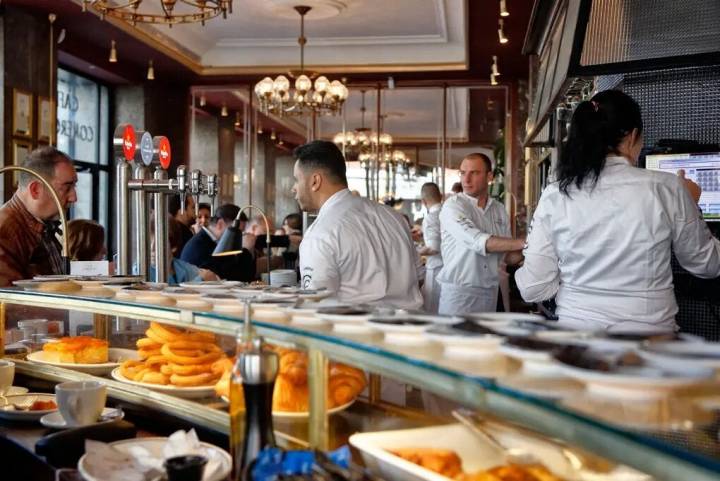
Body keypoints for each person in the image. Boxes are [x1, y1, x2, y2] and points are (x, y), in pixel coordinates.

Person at [516, 90, 720, 332]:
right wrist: (690, 201)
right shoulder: (668, 187)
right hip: (649, 339)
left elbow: (533, 287)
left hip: (576, 337)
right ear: (633, 136)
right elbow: (706, 264)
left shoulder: (555, 194)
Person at [292, 140, 423, 309]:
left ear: (315, 181)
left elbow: (315, 304)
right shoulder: (394, 216)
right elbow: (419, 276)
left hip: (357, 331)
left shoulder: (321, 232)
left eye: (296, 179)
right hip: (411, 328)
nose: (293, 188)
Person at [436, 153, 524, 315]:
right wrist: (525, 243)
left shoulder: (498, 209)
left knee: (485, 340)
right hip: (459, 294)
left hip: (490, 293)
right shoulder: (453, 206)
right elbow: (479, 242)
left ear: (489, 176)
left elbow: (507, 257)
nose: (466, 179)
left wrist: (537, 247)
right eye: (463, 173)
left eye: (474, 173)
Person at [0, 146, 77, 286]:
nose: (73, 197)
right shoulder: (5, 232)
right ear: (35, 190)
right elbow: (11, 301)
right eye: (66, 188)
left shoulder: (43, 225)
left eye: (74, 187)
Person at [180, 204, 256, 282]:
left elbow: (245, 275)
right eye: (238, 231)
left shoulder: (215, 241)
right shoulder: (200, 245)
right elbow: (231, 276)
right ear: (220, 224)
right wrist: (246, 250)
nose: (239, 236)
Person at [418, 182, 443, 313]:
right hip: (450, 269)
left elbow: (433, 248)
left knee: (432, 311)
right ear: (441, 196)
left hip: (437, 269)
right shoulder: (450, 214)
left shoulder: (431, 218)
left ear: (423, 201)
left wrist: (414, 253)